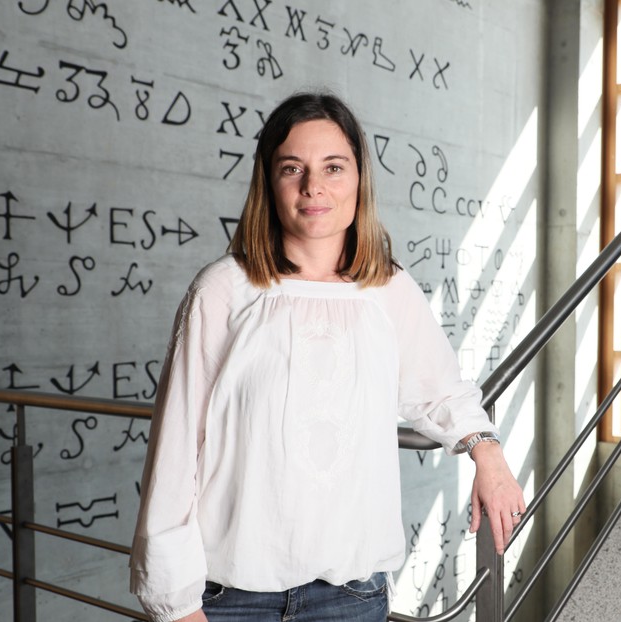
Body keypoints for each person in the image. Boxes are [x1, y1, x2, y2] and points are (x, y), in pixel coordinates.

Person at [129, 91, 526, 622]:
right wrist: (176, 603)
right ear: (269, 182)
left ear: (358, 178)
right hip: (229, 599)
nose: (313, 186)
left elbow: (439, 388)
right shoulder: (224, 289)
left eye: (333, 167)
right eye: (293, 168)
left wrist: (488, 453)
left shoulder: (388, 287)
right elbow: (176, 451)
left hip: (351, 597)